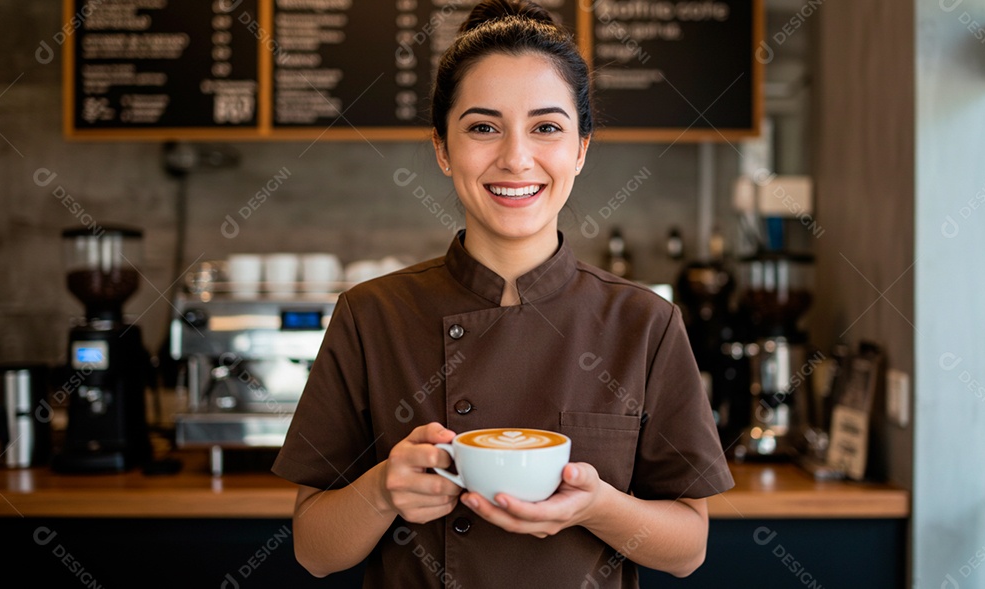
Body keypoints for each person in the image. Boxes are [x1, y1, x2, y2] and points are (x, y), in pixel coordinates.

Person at [271, 1, 734, 586]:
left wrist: (597, 506)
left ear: (581, 149)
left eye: (547, 128)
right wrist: (382, 491)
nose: (516, 159)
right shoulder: (371, 315)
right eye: (483, 127)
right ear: (442, 148)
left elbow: (688, 547)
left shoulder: (646, 322)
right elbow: (314, 550)